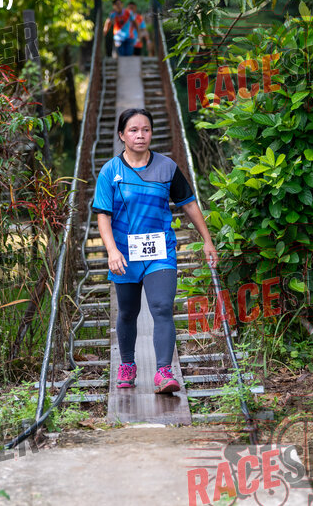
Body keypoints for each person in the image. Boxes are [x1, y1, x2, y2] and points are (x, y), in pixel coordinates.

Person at [91, 108, 219, 394]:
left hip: (160, 252)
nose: (140, 135)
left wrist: (207, 240)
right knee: (128, 312)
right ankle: (127, 364)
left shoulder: (167, 167)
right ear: (122, 135)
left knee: (161, 307)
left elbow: (188, 204)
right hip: (124, 254)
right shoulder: (110, 171)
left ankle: (163, 372)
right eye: (133, 130)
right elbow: (103, 215)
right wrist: (111, 251)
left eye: (146, 129)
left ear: (151, 133)